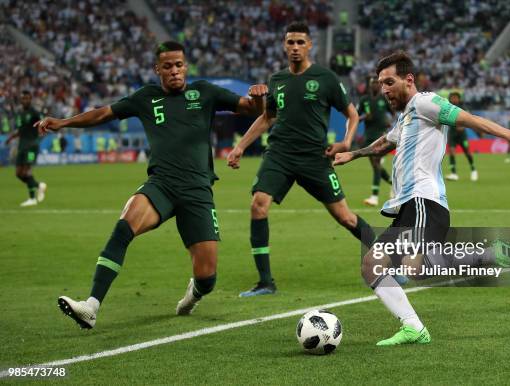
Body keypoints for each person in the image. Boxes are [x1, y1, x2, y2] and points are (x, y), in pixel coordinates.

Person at [36, 41, 267, 329]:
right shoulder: (145, 97)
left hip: (197, 191)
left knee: (207, 278)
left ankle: (193, 295)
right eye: (167, 66)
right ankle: (91, 306)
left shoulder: (205, 92)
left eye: (179, 65)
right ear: (157, 69)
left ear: (186, 66)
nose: (174, 71)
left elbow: (253, 110)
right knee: (124, 225)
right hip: (162, 184)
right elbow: (103, 113)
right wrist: (63, 122)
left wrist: (258, 98)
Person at [333, 52, 510, 346]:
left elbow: (469, 119)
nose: (383, 89)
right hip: (413, 205)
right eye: (380, 83)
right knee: (409, 268)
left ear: (408, 80)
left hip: (423, 201)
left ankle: (413, 327)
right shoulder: (408, 115)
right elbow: (385, 142)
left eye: (389, 82)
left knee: (377, 263)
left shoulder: (426, 103)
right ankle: (491, 255)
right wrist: (353, 154)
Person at [227, 22, 376, 297]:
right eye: (290, 42)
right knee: (258, 205)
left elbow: (353, 115)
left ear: (309, 45)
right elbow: (267, 117)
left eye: (300, 42)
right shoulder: (277, 79)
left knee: (345, 217)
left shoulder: (326, 78)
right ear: (284, 46)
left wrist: (346, 141)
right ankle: (265, 282)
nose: (295, 47)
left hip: (314, 158)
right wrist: (240, 146)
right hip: (279, 155)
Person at [4, 90, 47, 207]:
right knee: (18, 173)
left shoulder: (35, 113)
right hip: (22, 146)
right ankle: (39, 186)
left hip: (32, 146)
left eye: (28, 98)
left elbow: (44, 125)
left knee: (27, 171)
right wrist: (10, 138)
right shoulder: (19, 114)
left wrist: (37, 140)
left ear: (31, 99)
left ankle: (32, 198)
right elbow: (20, 130)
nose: (25, 100)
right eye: (24, 98)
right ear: (21, 100)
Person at [358, 76, 392, 206]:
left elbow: (393, 111)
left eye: (377, 83)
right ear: (369, 84)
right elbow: (356, 116)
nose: (375, 85)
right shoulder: (364, 100)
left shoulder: (384, 98)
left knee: (376, 162)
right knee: (375, 165)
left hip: (381, 134)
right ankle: (394, 185)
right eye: (372, 83)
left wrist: (388, 121)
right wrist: (363, 116)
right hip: (368, 135)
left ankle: (374, 196)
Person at [445, 92, 477, 181]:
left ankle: (473, 169)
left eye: (456, 98)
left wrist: (462, 126)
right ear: (450, 99)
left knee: (467, 152)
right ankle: (453, 173)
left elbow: (469, 119)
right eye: (452, 97)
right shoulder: (447, 107)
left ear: (459, 99)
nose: (454, 99)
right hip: (452, 133)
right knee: (451, 152)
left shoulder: (463, 108)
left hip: (462, 135)